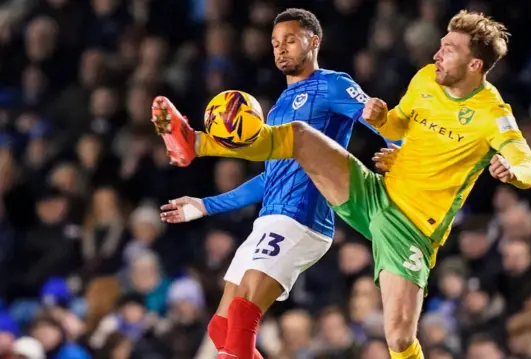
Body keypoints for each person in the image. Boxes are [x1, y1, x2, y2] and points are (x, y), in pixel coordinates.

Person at [156, 9, 531, 359]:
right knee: (299, 136)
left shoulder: (493, 114)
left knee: (399, 339)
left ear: (475, 64)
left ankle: (198, 143)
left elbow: (529, 167)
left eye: (449, 49)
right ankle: (198, 142)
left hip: (408, 226)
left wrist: (512, 170)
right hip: (373, 192)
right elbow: (396, 126)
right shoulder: (425, 79)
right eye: (440, 45)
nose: (437, 54)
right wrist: (386, 121)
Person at [152, 8, 399, 359]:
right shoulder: (278, 106)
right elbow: (272, 177)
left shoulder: (333, 84)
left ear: (313, 41)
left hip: (303, 217)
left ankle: (197, 143)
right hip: (271, 216)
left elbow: (382, 124)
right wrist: (206, 205)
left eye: (290, 40)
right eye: (275, 43)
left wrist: (405, 154)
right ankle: (196, 143)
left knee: (242, 314)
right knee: (221, 328)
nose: (281, 49)